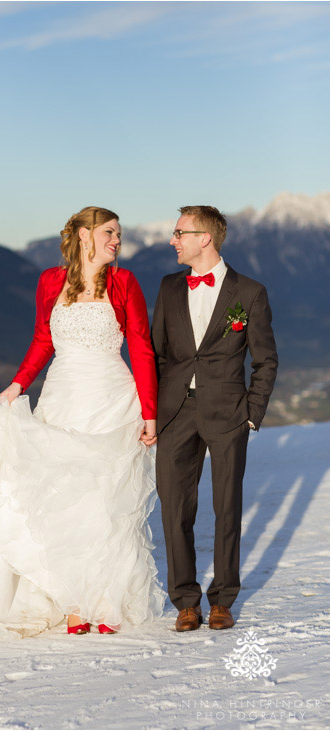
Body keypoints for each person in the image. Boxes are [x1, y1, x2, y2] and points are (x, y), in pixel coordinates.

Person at [0, 206, 167, 637]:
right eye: (110, 232)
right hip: (61, 398)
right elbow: (43, 339)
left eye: (119, 234)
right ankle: (75, 602)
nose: (117, 240)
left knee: (107, 502)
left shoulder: (124, 282)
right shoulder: (49, 282)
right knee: (66, 500)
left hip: (112, 398)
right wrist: (18, 385)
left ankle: (105, 603)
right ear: (83, 234)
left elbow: (141, 347)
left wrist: (149, 412)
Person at [152, 205, 277, 632]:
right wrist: (153, 412)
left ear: (204, 238)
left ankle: (223, 598)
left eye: (179, 232)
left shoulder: (250, 292)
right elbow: (157, 355)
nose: (173, 240)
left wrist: (251, 415)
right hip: (174, 413)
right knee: (175, 509)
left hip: (228, 414)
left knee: (227, 508)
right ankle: (185, 600)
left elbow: (266, 361)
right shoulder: (169, 287)